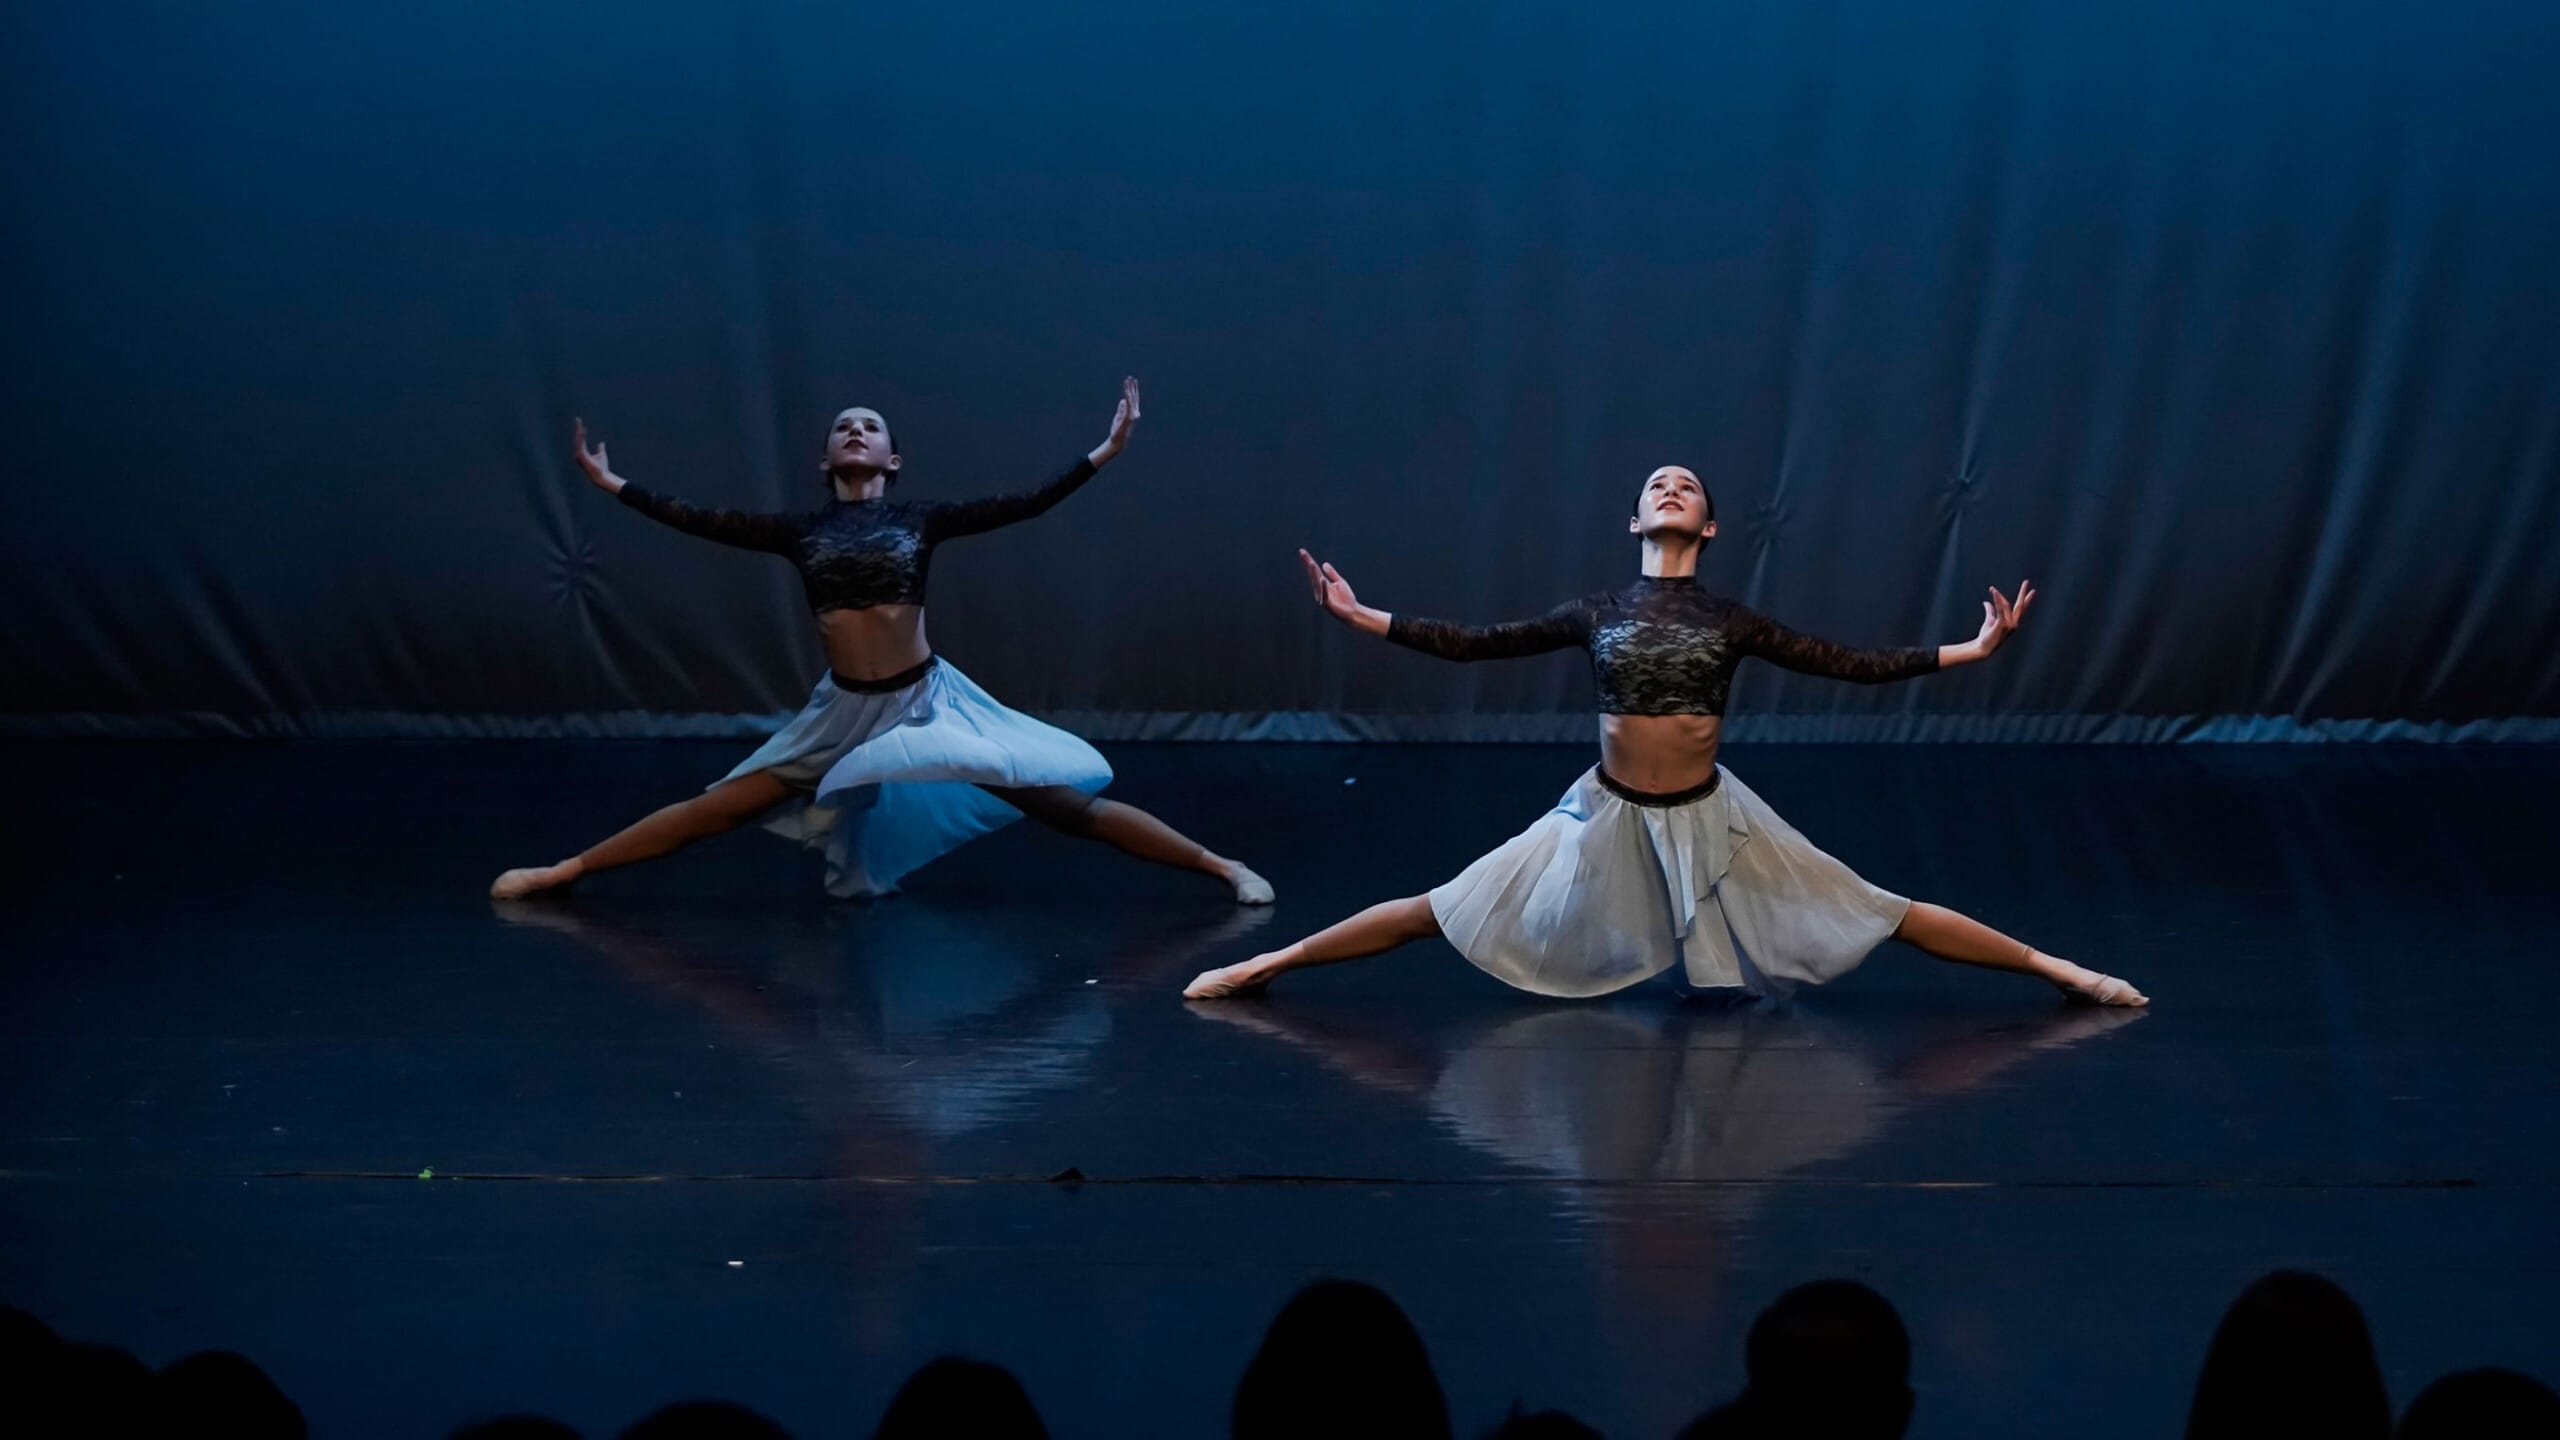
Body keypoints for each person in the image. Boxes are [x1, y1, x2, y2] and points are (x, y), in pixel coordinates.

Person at [1185, 465, 2140, 1004]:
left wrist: (1968, 653)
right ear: (1635, 518)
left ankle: (2056, 968)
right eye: (1657, 485)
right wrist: (1367, 618)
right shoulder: (1595, 608)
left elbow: (1848, 662)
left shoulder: (1731, 619)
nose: (1671, 488)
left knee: (1871, 907)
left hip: (1711, 813)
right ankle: (1273, 961)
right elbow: (1477, 644)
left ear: (1712, 528)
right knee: (1451, 905)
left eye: (1687, 487)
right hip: (1606, 812)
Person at [491, 378, 1271, 905]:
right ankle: (566, 871)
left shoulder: (922, 518)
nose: (855, 433)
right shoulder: (799, 530)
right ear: (826, 459)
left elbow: (1028, 503)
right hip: (843, 714)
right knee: (718, 808)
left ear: (892, 460)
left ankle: (1221, 864)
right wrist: (612, 485)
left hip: (926, 705)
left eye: (870, 428)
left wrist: (1105, 452)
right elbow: (702, 520)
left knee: (1060, 807)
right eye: (843, 429)